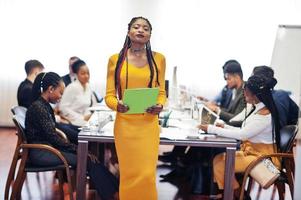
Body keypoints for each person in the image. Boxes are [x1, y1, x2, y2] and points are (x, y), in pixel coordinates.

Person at [25, 72, 119, 200]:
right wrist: (78, 150)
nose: (61, 97)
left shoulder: (43, 105)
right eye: (60, 93)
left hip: (48, 148)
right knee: (87, 160)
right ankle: (115, 194)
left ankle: (116, 190)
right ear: (50, 89)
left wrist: (78, 148)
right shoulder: (39, 108)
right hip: (42, 152)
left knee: (91, 159)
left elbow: (54, 133)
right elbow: (53, 137)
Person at [105, 16, 166, 200]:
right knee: (129, 175)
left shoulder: (159, 59)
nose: (141, 30)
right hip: (125, 125)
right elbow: (109, 95)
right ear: (128, 31)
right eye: (136, 27)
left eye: (145, 28)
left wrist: (160, 105)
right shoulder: (115, 59)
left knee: (147, 175)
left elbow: (161, 92)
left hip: (148, 124)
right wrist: (118, 105)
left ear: (149, 35)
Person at [199, 74, 281, 198]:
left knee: (222, 164)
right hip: (252, 152)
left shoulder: (264, 115)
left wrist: (212, 128)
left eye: (246, 91)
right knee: (218, 159)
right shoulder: (258, 109)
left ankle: (235, 195)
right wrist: (223, 126)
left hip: (262, 158)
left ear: (255, 95)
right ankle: (237, 195)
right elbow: (244, 130)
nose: (244, 93)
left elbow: (242, 134)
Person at [59, 59, 94, 127]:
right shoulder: (72, 87)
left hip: (84, 119)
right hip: (72, 121)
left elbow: (86, 107)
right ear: (76, 75)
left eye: (88, 73)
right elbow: (63, 107)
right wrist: (81, 118)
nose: (86, 76)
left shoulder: (88, 87)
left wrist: (88, 116)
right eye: (83, 73)